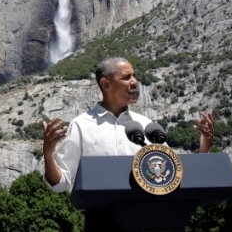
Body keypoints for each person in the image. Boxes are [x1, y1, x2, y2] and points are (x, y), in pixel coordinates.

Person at [42, 56, 214, 191]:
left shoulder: (147, 125)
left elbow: (173, 171)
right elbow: (61, 183)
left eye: (134, 76)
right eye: (126, 77)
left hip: (148, 217)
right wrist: (48, 155)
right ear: (106, 84)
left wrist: (203, 148)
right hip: (102, 219)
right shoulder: (81, 125)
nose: (135, 82)